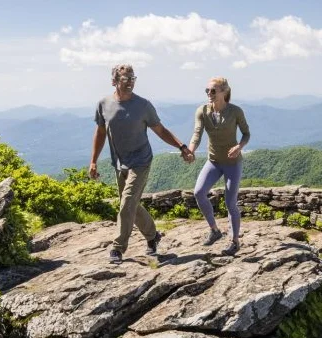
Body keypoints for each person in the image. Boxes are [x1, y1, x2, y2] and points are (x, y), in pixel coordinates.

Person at [89, 64, 194, 264]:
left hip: (141, 161)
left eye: (132, 78)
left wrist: (182, 146)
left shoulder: (143, 105)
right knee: (131, 205)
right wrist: (93, 161)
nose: (129, 83)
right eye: (125, 79)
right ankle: (153, 236)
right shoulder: (103, 104)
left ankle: (118, 248)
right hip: (119, 163)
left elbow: (160, 130)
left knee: (127, 203)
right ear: (114, 82)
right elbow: (100, 132)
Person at [189, 76, 250, 255]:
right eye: (207, 91)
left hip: (232, 163)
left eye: (213, 91)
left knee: (230, 203)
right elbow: (197, 134)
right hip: (214, 161)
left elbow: (246, 134)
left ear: (224, 91)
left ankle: (234, 241)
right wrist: (191, 150)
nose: (209, 94)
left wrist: (239, 147)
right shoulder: (202, 111)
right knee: (199, 192)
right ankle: (215, 230)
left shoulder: (235, 111)